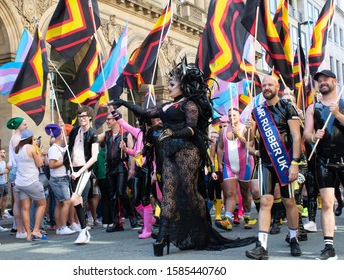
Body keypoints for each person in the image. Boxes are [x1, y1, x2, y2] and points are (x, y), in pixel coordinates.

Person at [110, 58, 256, 256]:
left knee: (188, 190)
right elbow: (145, 112)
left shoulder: (190, 105)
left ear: (183, 85)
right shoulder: (167, 106)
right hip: (169, 152)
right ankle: (163, 236)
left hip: (189, 152)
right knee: (169, 191)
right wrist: (122, 103)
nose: (168, 87)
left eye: (172, 84)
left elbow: (191, 129)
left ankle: (202, 223)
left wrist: (173, 133)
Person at [245, 75, 302, 260]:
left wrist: (294, 163)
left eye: (271, 84)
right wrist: (249, 128)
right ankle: (261, 246)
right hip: (266, 163)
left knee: (289, 202)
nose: (267, 87)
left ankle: (294, 238)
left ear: (278, 87)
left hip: (285, 162)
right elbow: (251, 140)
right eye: (265, 84)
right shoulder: (257, 111)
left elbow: (296, 136)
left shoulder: (287, 107)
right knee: (266, 201)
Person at [303, 69, 342, 260]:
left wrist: (338, 114)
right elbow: (306, 134)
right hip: (323, 160)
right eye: (319, 81)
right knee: (327, 203)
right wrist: (313, 135)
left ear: (334, 81)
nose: (322, 83)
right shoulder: (313, 108)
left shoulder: (342, 103)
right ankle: (329, 248)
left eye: (326, 80)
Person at [64, 106, 99, 244]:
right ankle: (84, 231)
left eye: (84, 116)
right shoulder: (74, 131)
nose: (81, 119)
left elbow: (94, 157)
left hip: (84, 171)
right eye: (79, 116)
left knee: (74, 199)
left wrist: (80, 171)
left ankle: (83, 230)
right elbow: (70, 148)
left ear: (90, 117)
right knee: (77, 201)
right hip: (73, 169)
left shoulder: (93, 134)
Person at [216, 108, 254, 231]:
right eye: (230, 115)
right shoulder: (223, 130)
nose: (232, 117)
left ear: (239, 116)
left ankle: (247, 217)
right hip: (228, 165)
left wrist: (238, 134)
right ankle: (228, 219)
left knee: (245, 192)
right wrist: (220, 162)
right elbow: (220, 147)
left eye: (234, 115)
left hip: (245, 164)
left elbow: (249, 145)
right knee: (229, 193)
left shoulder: (246, 128)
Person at [97, 112, 136, 232]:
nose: (107, 121)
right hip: (109, 167)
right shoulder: (107, 134)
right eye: (107, 119)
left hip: (121, 165)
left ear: (116, 120)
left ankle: (131, 215)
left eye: (109, 119)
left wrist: (132, 168)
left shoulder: (126, 134)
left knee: (121, 192)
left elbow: (131, 153)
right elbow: (94, 138)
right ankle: (117, 222)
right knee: (112, 195)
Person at [14, 129, 47, 241]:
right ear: (31, 138)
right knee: (42, 204)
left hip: (20, 182)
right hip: (32, 181)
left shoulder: (17, 149)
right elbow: (40, 164)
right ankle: (36, 230)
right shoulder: (31, 148)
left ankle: (28, 234)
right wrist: (39, 153)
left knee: (25, 208)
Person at [45, 124, 75, 235]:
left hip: (61, 177)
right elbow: (51, 164)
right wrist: (64, 162)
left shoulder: (59, 148)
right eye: (63, 133)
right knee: (67, 202)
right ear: (59, 135)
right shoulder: (53, 149)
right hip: (58, 178)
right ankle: (62, 226)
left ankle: (60, 227)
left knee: (59, 203)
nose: (64, 135)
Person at [6, 117, 28, 239]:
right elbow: (21, 154)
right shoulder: (16, 138)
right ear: (19, 126)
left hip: (17, 171)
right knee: (19, 202)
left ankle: (21, 229)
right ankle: (20, 229)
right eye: (24, 124)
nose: (26, 126)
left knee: (19, 202)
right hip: (18, 171)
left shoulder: (17, 138)